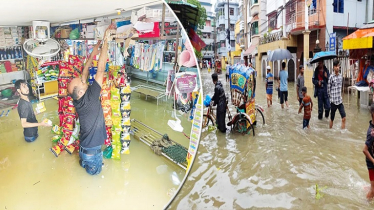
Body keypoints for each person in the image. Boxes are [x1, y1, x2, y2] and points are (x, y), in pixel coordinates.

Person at [67, 26, 113, 175]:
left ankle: (85, 163)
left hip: (84, 149)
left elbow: (85, 71)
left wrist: (94, 51)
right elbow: (100, 70)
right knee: (94, 177)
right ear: (80, 91)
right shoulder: (91, 97)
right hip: (92, 153)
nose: (82, 79)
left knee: (86, 167)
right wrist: (106, 41)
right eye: (81, 81)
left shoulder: (78, 100)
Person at [327, 59, 346, 129]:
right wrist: (330, 100)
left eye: (338, 66)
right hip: (333, 102)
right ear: (333, 67)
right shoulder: (331, 77)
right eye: (336, 66)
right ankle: (330, 130)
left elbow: (341, 88)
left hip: (340, 101)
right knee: (332, 119)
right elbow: (328, 90)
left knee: (344, 118)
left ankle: (342, 133)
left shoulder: (341, 76)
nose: (338, 67)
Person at [363, 104, 374, 200]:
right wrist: (373, 161)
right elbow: (364, 150)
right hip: (372, 163)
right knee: (373, 190)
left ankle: (368, 187)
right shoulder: (371, 133)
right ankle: (365, 203)